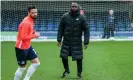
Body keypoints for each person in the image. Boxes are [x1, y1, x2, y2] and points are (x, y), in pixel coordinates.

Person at [57, 2, 90, 79]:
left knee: (79, 59)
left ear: (78, 7)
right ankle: (66, 70)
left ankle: (79, 74)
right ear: (70, 7)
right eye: (72, 6)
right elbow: (60, 28)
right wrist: (59, 39)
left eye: (75, 6)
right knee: (63, 56)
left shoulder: (82, 18)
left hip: (77, 42)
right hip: (66, 41)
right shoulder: (65, 16)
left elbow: (86, 29)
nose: (74, 8)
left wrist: (86, 41)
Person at [14, 6, 40, 80]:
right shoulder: (26, 22)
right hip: (21, 48)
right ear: (28, 12)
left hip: (27, 46)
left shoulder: (31, 20)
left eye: (36, 12)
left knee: (36, 63)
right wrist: (35, 35)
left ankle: (26, 78)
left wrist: (33, 32)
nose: (35, 14)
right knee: (22, 68)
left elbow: (28, 32)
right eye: (33, 13)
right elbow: (23, 37)